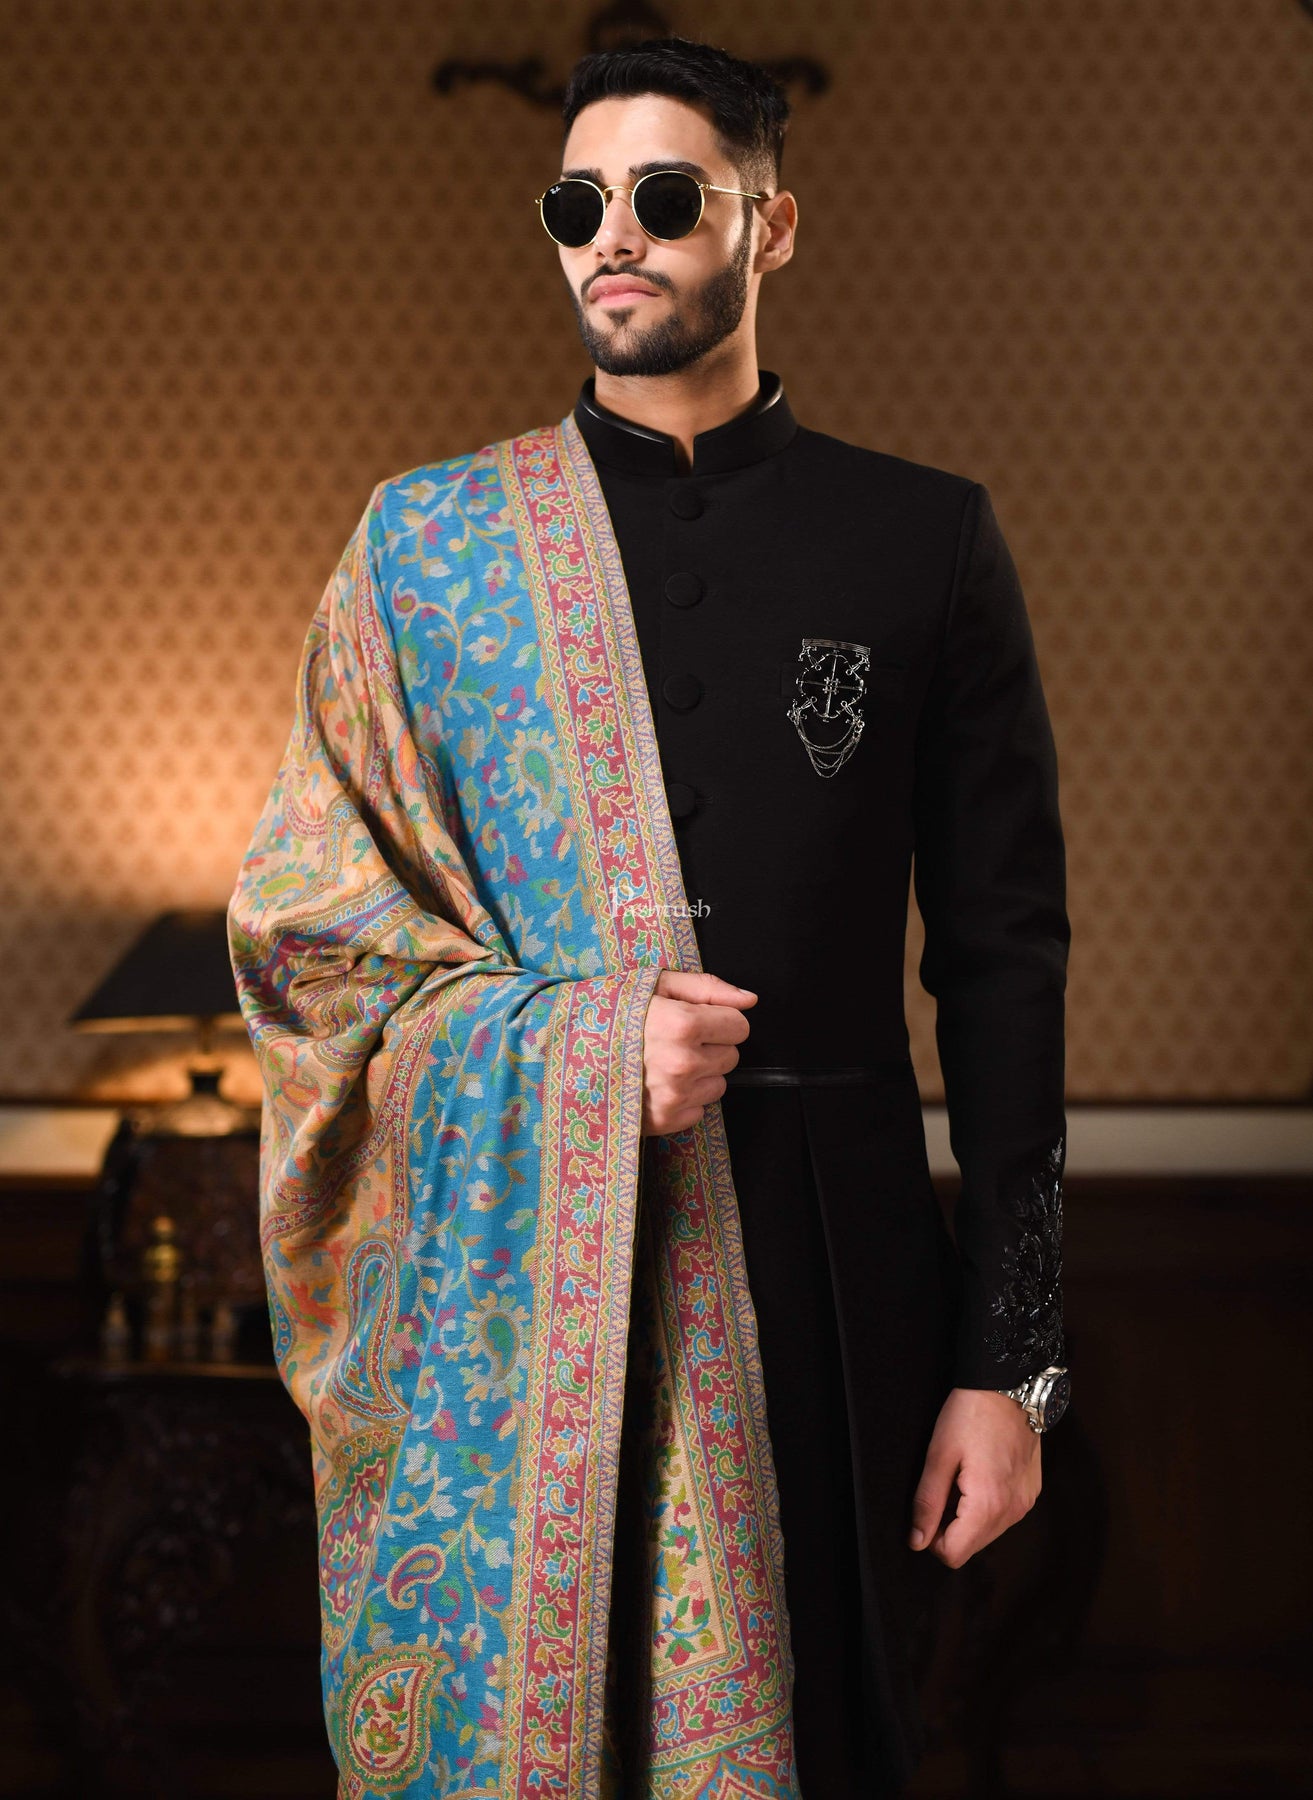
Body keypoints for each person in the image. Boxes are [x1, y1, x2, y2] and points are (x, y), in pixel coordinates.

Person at [229, 34, 1070, 1800]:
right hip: (515, 1288)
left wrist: (1012, 1368)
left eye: (666, 197)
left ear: (770, 227)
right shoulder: (424, 552)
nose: (614, 236)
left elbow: (1005, 966)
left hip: (833, 1273)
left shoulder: (918, 540)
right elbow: (312, 946)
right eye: (578, 203)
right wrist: (581, 1052)